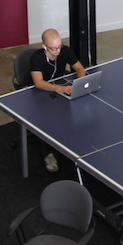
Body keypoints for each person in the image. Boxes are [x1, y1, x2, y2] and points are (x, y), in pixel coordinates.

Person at [29, 29, 88, 172]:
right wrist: (60, 89)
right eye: (53, 48)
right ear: (44, 47)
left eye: (59, 47)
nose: (57, 51)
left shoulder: (65, 51)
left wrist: (79, 83)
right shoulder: (36, 58)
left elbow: (80, 68)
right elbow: (38, 83)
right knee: (50, 120)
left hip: (62, 88)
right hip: (42, 92)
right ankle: (48, 154)